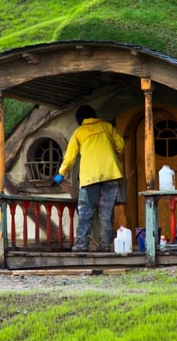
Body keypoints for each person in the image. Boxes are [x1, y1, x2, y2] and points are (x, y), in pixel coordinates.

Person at [53, 105, 124, 252]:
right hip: (110, 174)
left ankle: (81, 245)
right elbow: (121, 144)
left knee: (85, 212)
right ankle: (105, 246)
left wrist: (61, 173)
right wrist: (114, 156)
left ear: (79, 119)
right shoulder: (107, 127)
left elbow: (70, 156)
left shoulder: (79, 132)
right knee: (106, 213)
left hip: (89, 178)